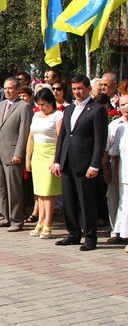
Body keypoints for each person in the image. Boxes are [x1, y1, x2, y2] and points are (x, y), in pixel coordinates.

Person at [52, 75, 107, 251]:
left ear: (89, 89)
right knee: (69, 201)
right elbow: (62, 137)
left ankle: (90, 237)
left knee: (86, 202)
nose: (77, 92)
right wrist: (57, 161)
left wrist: (95, 165)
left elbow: (100, 140)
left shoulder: (97, 110)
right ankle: (73, 233)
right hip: (67, 162)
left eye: (80, 88)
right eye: (74, 89)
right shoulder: (68, 110)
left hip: (85, 163)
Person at [0, 77, 33, 231]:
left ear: (17, 89)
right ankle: (5, 216)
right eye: (5, 88)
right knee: (1, 187)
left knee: (14, 188)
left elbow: (24, 131)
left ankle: (17, 219)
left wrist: (19, 153)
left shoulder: (24, 107)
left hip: (13, 152)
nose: (7, 91)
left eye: (10, 88)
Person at [26, 88, 63, 239]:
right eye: (39, 104)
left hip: (51, 153)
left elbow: (61, 138)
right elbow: (31, 138)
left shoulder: (58, 116)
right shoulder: (36, 115)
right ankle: (40, 221)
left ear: (51, 102)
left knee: (48, 191)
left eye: (44, 104)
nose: (42, 107)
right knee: (39, 192)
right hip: (38, 155)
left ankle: (48, 222)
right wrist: (28, 159)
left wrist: (56, 159)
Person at [108, 95, 128, 245]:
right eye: (122, 105)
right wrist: (111, 172)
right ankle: (117, 230)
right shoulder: (116, 125)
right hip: (121, 170)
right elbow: (113, 152)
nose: (125, 107)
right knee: (120, 202)